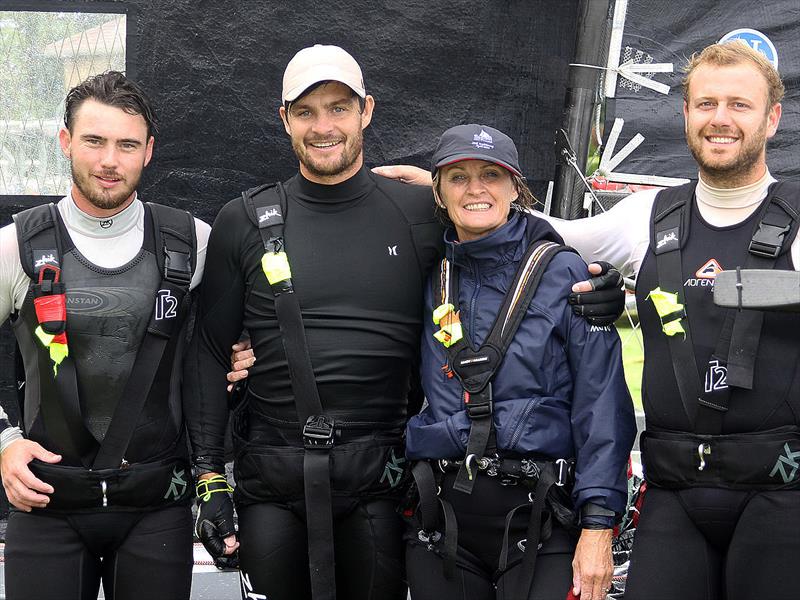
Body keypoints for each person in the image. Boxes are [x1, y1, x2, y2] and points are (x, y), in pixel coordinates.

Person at [190, 46, 625, 600]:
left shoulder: (416, 213)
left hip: (382, 482)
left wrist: (596, 285)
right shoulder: (244, 220)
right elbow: (207, 351)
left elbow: (501, 230)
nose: (324, 126)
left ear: (366, 110)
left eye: (340, 107)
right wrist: (208, 480)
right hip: (273, 477)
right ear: (285, 118)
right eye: (306, 111)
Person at [382, 41, 800, 600]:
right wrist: (434, 190)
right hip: (674, 490)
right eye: (705, 104)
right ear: (685, 114)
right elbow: (538, 233)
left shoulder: (796, 215)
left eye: (738, 105)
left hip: (780, 489)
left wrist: (737, 288)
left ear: (772, 117)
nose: (719, 119)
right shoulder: (650, 215)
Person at [400, 124, 635, 600]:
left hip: (540, 521)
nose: (476, 189)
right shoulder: (424, 272)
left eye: (491, 174)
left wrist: (597, 527)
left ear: (516, 189)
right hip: (441, 522)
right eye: (458, 177)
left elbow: (601, 404)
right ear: (439, 193)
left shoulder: (566, 272)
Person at [0, 71, 210, 600]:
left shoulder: (194, 242)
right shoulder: (15, 246)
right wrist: (2, 444)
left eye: (127, 144)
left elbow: (230, 347)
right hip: (47, 502)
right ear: (67, 141)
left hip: (156, 506)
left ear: (149, 151)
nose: (109, 161)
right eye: (94, 141)